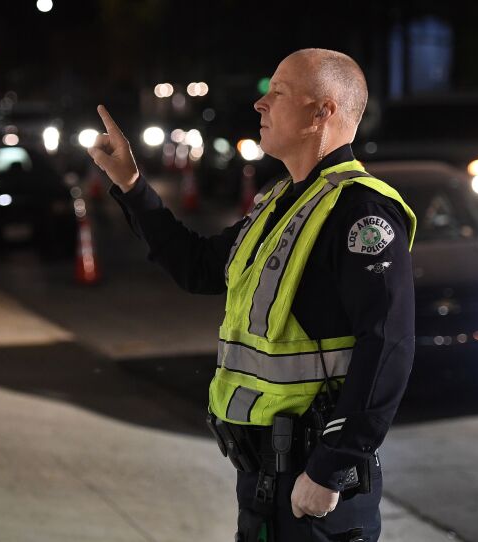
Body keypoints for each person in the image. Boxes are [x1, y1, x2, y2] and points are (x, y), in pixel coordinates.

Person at [88, 48, 416, 541]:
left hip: (314, 485)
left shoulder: (360, 212)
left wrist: (332, 466)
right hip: (263, 476)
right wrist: (133, 186)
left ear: (322, 112)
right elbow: (197, 268)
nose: (260, 105)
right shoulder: (280, 203)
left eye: (278, 93)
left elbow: (388, 344)